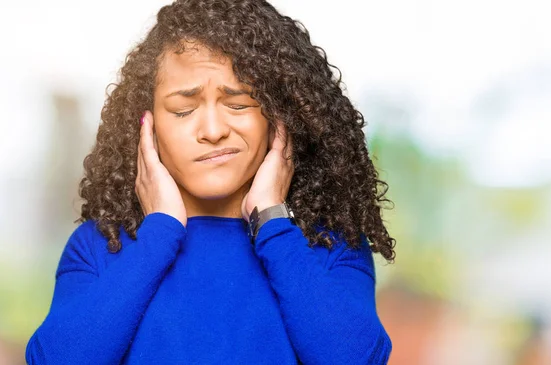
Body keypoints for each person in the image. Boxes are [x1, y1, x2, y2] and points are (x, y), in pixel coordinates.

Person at [26, 0, 396, 363]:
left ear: (279, 118)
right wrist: (161, 230)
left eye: (238, 104)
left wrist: (272, 221)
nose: (214, 130)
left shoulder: (330, 246)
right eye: (183, 110)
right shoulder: (98, 246)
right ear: (146, 125)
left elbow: (358, 358)